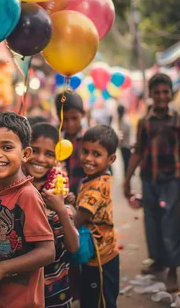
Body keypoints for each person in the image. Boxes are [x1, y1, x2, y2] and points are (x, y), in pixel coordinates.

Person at [0, 112, 55, 308]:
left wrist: (1, 268)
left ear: (25, 154)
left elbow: (47, 252)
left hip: (18, 301)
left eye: (7, 147)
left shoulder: (27, 196)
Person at [124, 73, 180, 292]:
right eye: (157, 92)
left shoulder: (178, 120)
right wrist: (127, 178)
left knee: (170, 223)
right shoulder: (144, 122)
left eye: (165, 92)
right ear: (150, 94)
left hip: (170, 180)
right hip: (149, 179)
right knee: (152, 222)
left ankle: (173, 269)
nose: (161, 96)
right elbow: (138, 152)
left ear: (171, 94)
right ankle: (158, 261)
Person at [23, 122, 79, 307]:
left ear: (57, 158)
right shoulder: (14, 186)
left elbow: (72, 246)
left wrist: (61, 209)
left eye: (49, 154)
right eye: (35, 151)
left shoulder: (58, 192)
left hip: (55, 290)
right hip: (20, 291)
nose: (40, 159)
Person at [74, 125, 119, 308]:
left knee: (99, 300)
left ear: (111, 159)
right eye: (85, 151)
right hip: (101, 252)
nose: (88, 159)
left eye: (96, 154)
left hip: (100, 259)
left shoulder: (96, 188)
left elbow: (78, 219)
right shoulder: (97, 178)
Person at [55, 92, 86, 200]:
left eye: (74, 118)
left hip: (82, 196)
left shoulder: (88, 139)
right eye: (65, 119)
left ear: (83, 114)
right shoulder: (55, 138)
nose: (70, 124)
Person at [117, 104, 131, 175]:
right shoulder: (122, 121)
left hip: (125, 145)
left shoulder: (123, 122)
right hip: (125, 145)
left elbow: (122, 135)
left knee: (126, 163)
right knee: (126, 163)